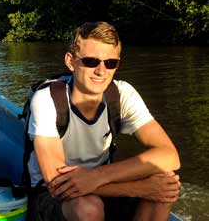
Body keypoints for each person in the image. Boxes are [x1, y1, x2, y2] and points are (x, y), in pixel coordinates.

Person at [27, 21, 181, 220]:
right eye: (91, 61)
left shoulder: (122, 94)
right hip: (52, 195)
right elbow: (57, 183)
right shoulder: (48, 99)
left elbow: (169, 156)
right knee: (89, 208)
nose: (101, 71)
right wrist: (140, 188)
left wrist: (97, 177)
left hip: (100, 183)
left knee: (164, 185)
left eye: (110, 63)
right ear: (70, 62)